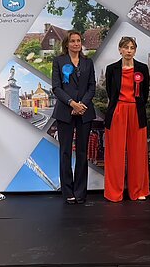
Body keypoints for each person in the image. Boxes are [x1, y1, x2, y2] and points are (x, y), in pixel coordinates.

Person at [103, 36, 150, 202]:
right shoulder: (111, 69)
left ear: (135, 50)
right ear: (120, 50)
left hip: (137, 112)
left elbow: (145, 93)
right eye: (126, 47)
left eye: (132, 48)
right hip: (117, 111)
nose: (129, 50)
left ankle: (137, 191)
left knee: (138, 152)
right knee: (115, 153)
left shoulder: (143, 68)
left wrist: (134, 105)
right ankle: (114, 192)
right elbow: (110, 92)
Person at [51, 30, 96, 204]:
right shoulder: (59, 61)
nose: (76, 44)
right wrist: (72, 103)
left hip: (84, 112)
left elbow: (92, 86)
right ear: (67, 44)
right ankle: (67, 192)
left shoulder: (88, 62)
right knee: (65, 152)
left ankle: (80, 192)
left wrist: (81, 105)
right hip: (65, 111)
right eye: (73, 41)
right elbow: (56, 87)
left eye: (78, 41)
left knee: (83, 153)